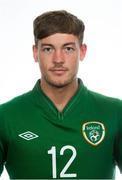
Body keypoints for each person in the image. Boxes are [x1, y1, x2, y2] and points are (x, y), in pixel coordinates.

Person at [0, 10, 122, 179]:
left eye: (68, 49)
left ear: (83, 51)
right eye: (48, 49)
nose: (58, 59)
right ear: (36, 52)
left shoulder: (115, 112)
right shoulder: (6, 116)